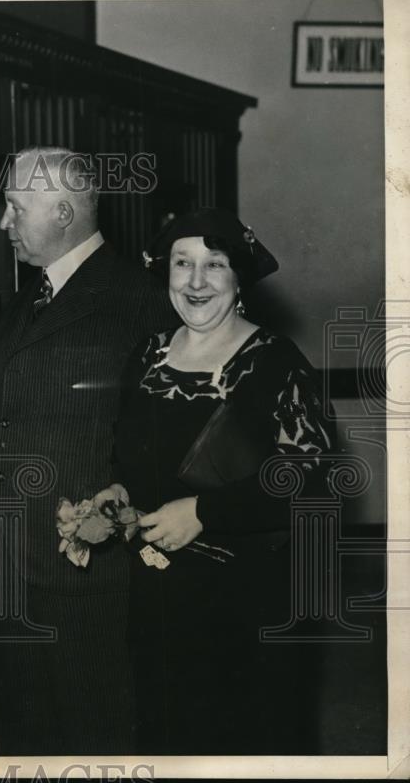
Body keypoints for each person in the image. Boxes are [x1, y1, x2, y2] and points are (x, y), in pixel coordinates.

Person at [0, 146, 174, 754]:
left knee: (92, 729)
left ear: (63, 211)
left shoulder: (140, 300)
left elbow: (164, 440)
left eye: (15, 208)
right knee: (26, 733)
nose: (3, 222)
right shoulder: (28, 298)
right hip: (12, 562)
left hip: (85, 569)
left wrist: (115, 525)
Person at [109, 207, 332, 753]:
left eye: (215, 264)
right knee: (169, 733)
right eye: (182, 264)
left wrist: (204, 514)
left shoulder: (276, 360)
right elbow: (129, 457)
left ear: (239, 280)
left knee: (247, 739)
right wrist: (115, 495)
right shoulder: (146, 355)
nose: (196, 281)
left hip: (248, 599)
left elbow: (311, 480)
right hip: (159, 593)